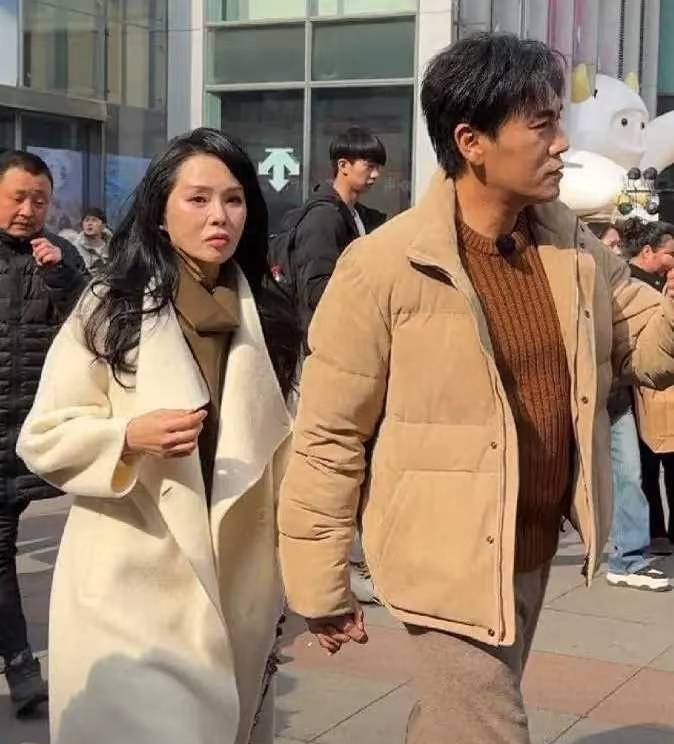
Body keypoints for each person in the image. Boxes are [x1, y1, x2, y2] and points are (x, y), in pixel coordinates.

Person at [277, 33, 674, 744]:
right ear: (471, 142)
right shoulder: (382, 266)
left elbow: (645, 345)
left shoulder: (572, 249)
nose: (562, 144)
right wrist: (319, 580)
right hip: (442, 558)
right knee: (489, 729)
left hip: (530, 546)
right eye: (542, 125)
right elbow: (328, 436)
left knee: (453, 722)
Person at [17, 129, 300, 744]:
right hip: (129, 585)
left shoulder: (269, 316)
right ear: (160, 214)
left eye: (233, 199)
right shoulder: (111, 305)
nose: (219, 216)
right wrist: (126, 437)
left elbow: (290, 454)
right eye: (198, 199)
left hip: (238, 586)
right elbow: (42, 435)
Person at [0, 150, 88, 717]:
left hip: (27, 428)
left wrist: (62, 275)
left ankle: (21, 665)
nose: (28, 210)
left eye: (40, 200)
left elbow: (96, 322)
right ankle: (21, 666)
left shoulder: (60, 255)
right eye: (18, 197)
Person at [588, 223, 669, 591]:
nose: (618, 249)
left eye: (619, 243)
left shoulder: (625, 284)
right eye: (611, 243)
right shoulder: (572, 276)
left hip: (614, 394)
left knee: (629, 475)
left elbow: (651, 334)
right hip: (575, 393)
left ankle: (628, 559)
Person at [291, 125, 387, 337]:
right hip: (326, 337)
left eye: (378, 167)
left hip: (350, 331)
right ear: (343, 165)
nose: (376, 174)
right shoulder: (323, 217)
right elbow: (316, 289)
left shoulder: (358, 215)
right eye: (369, 166)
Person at [627, 221, 674, 555]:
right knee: (643, 468)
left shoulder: (661, 283)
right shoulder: (628, 284)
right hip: (637, 388)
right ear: (648, 252)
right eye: (670, 253)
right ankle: (653, 532)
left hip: (662, 390)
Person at [70, 207, 111, 274]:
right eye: (86, 220)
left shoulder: (112, 245)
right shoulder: (75, 248)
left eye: (94, 220)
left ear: (103, 225)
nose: (89, 223)